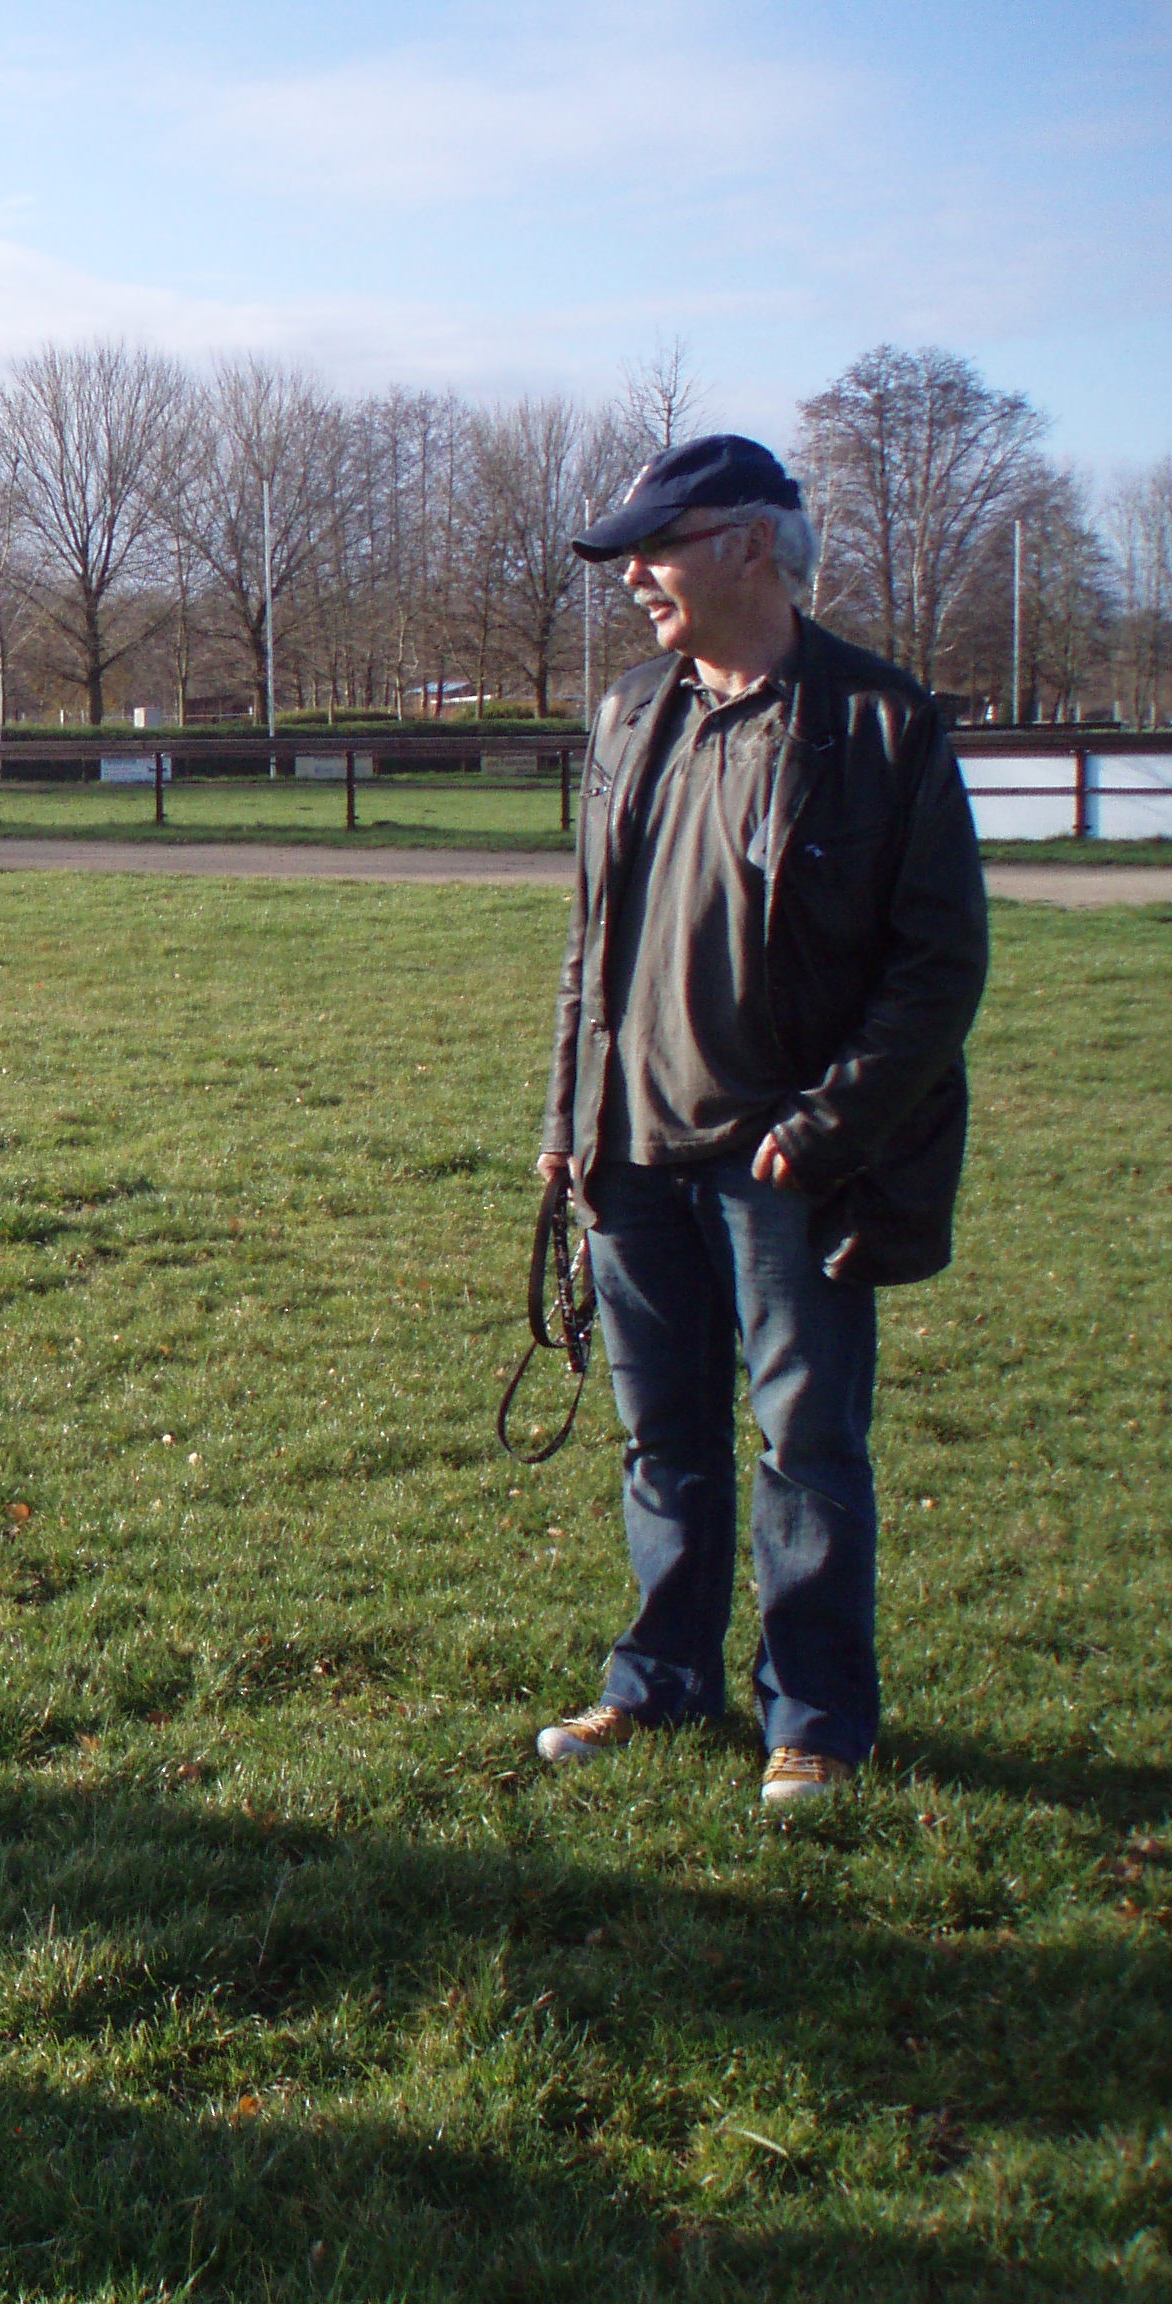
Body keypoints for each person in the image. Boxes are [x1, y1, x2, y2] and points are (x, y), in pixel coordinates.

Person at [533, 435, 987, 1808]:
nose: (633, 582)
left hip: (786, 1169)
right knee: (661, 1441)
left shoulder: (881, 726)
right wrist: (569, 1114)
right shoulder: (629, 717)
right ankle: (659, 1679)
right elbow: (590, 941)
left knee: (806, 1450)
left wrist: (830, 1129)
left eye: (653, 553)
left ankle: (819, 1716)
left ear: (747, 546)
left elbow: (937, 967)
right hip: (633, 1156)